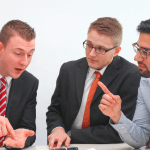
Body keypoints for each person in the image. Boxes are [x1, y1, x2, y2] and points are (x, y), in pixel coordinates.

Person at [46, 17, 140, 149]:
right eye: (89, 45)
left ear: (116, 51)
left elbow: (123, 130)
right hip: (66, 146)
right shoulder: (68, 69)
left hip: (107, 147)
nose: (91, 54)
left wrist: (71, 134)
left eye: (100, 49)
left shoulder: (132, 75)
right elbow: (55, 110)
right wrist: (57, 130)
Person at [98, 19, 150, 149]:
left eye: (145, 52)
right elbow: (141, 139)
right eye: (138, 49)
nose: (137, 57)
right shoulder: (145, 82)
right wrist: (117, 116)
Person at [0, 20, 38, 148]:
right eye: (18, 54)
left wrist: (21, 138)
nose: (25, 62)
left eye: (30, 55)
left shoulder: (29, 83)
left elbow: (28, 129)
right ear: (0, 48)